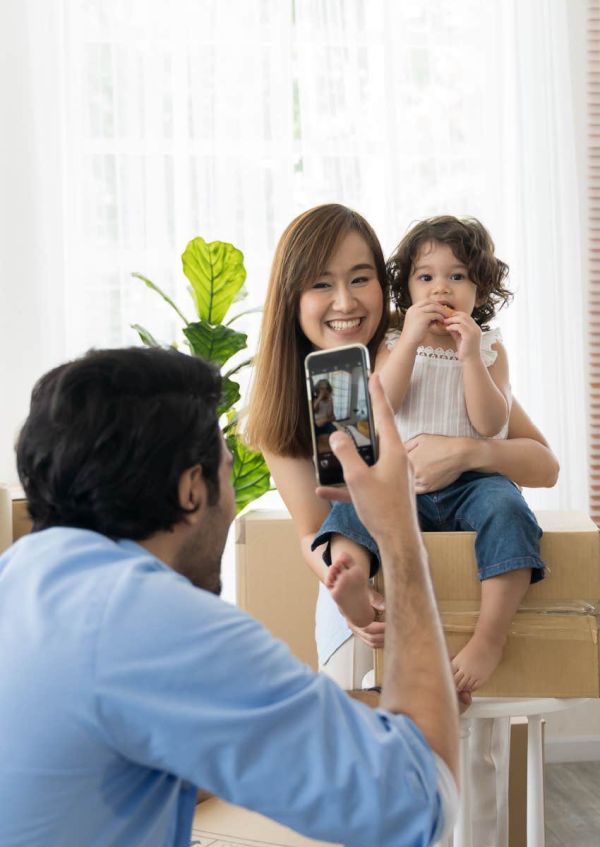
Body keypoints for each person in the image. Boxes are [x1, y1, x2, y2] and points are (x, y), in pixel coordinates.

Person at [0, 346, 459, 847]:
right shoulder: (153, 619)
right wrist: (398, 534)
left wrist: (353, 709)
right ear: (192, 489)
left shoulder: (21, 578)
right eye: (225, 467)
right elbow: (418, 803)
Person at [245, 203, 559, 845]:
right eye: (321, 283)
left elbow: (540, 461)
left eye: (360, 278)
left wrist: (469, 452)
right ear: (292, 296)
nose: (345, 300)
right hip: (373, 600)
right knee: (372, 777)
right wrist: (353, 586)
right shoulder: (315, 388)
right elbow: (318, 524)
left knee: (467, 779)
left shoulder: (450, 347)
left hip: (460, 591)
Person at [315, 215, 547, 694]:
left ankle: (489, 637)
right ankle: (357, 597)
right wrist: (412, 342)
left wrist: (469, 357)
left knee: (509, 510)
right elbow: (384, 402)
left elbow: (489, 424)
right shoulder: (393, 342)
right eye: (426, 277)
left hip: (474, 485)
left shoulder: (489, 349)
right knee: (351, 508)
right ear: (405, 289)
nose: (441, 288)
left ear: (480, 292)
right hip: (404, 486)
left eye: (457, 276)